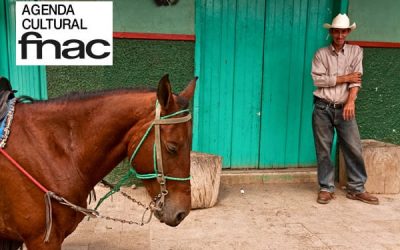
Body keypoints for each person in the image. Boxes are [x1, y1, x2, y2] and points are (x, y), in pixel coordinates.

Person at [311, 13, 379, 205]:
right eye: (337, 31)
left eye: (344, 31)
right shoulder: (321, 54)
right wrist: (343, 78)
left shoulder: (356, 51)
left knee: (353, 147)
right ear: (331, 32)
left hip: (345, 107)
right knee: (323, 150)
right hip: (322, 108)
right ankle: (326, 187)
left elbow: (356, 80)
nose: (340, 35)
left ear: (348, 32)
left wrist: (351, 102)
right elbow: (317, 80)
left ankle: (356, 188)